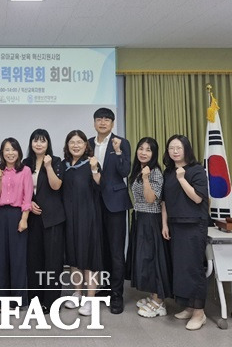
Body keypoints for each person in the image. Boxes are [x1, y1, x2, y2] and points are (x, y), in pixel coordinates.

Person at [162, 134, 209, 331]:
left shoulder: (196, 170)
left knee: (193, 269)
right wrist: (164, 224)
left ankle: (200, 313)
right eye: (171, 148)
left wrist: (182, 179)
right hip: (175, 225)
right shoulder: (168, 172)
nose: (174, 151)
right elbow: (164, 201)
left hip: (193, 225)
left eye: (178, 148)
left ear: (186, 149)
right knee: (181, 269)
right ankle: (190, 307)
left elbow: (198, 199)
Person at [88, 107, 131, 314]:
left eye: (107, 119)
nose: (103, 123)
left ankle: (117, 295)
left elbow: (125, 172)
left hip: (115, 203)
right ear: (94, 122)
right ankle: (103, 288)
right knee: (99, 249)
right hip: (93, 204)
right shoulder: (87, 144)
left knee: (115, 251)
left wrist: (120, 151)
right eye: (99, 119)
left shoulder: (121, 143)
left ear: (112, 123)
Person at [128, 137, 172, 318]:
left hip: (151, 219)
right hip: (140, 218)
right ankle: (153, 294)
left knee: (154, 259)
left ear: (153, 154)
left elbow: (151, 199)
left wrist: (146, 178)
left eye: (148, 149)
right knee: (145, 258)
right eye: (141, 148)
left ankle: (159, 301)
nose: (143, 152)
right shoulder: (138, 170)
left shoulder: (154, 173)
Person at [23, 129, 65, 315]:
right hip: (32, 218)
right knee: (34, 260)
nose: (38, 144)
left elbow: (56, 186)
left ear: (48, 143)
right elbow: (22, 190)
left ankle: (51, 301)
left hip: (53, 218)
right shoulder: (25, 163)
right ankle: (35, 298)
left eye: (42, 141)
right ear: (31, 143)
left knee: (53, 261)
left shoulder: (56, 162)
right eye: (35, 141)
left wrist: (47, 167)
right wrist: (29, 202)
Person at [61, 130, 102, 317]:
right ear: (67, 145)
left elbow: (99, 186)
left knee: (89, 257)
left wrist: (94, 170)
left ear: (86, 145)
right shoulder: (64, 165)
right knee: (73, 256)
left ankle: (90, 299)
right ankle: (77, 292)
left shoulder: (92, 163)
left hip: (88, 217)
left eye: (79, 142)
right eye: (72, 142)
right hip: (69, 217)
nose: (75, 145)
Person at [0, 137, 33, 311]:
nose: (10, 153)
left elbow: (27, 196)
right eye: (7, 150)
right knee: (2, 257)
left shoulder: (25, 171)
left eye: (13, 149)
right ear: (2, 153)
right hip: (1, 215)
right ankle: (2, 300)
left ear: (19, 152)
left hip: (18, 215)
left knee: (18, 258)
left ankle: (18, 300)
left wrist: (24, 219)